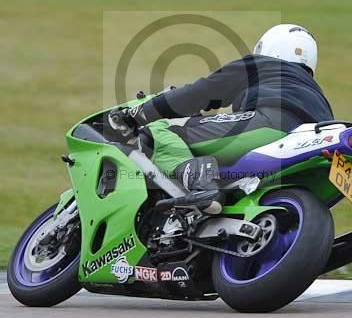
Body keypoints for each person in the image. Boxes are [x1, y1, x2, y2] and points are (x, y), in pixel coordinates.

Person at [108, 24, 333, 214]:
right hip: (312, 144)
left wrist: (141, 112)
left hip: (269, 125)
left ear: (265, 48)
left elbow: (201, 92)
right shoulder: (315, 92)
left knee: (160, 128)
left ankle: (203, 189)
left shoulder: (259, 65)